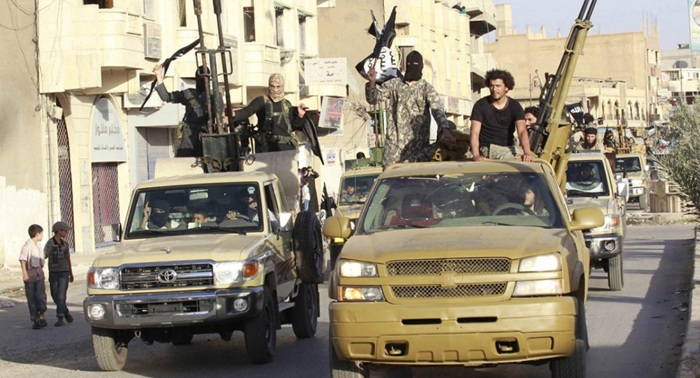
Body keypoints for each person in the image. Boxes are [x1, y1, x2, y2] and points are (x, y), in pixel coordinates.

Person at [365, 50, 453, 167]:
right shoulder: (394, 84)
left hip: (417, 149)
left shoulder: (426, 88)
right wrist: (371, 82)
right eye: (410, 65)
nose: (413, 69)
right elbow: (373, 99)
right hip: (394, 148)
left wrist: (444, 128)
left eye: (416, 65)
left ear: (421, 67)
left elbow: (437, 109)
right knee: (391, 181)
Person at [153, 64, 217, 157]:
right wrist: (158, 74)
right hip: (189, 135)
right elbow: (166, 97)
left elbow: (221, 114)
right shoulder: (188, 93)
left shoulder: (214, 95)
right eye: (200, 77)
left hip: (208, 134)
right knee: (183, 162)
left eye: (205, 77)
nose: (203, 80)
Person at [232, 73, 307, 152]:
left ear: (282, 87)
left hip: (286, 149)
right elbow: (247, 111)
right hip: (267, 148)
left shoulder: (287, 104)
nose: (275, 90)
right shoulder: (261, 101)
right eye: (272, 86)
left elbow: (291, 127)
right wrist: (234, 114)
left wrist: (300, 116)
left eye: (278, 87)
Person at [470, 69, 533, 162]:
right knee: (512, 159)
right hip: (488, 148)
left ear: (506, 87)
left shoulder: (515, 106)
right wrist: (476, 155)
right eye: (491, 86)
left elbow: (522, 131)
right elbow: (474, 132)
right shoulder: (481, 105)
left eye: (498, 86)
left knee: (530, 159)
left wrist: (527, 153)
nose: (494, 89)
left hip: (509, 147)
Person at [43, 221, 74, 327]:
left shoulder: (65, 244)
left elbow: (68, 259)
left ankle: (60, 317)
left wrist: (71, 272)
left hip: (64, 272)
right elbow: (43, 256)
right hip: (53, 273)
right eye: (65, 231)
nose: (66, 233)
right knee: (54, 295)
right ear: (59, 231)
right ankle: (65, 311)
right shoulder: (50, 243)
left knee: (61, 295)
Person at [20, 224, 47, 330]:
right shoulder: (27, 246)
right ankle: (35, 319)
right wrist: (24, 273)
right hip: (30, 274)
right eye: (41, 234)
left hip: (39, 274)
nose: (42, 235)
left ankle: (42, 316)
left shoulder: (38, 245)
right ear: (37, 234)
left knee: (41, 296)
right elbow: (23, 260)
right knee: (31, 298)